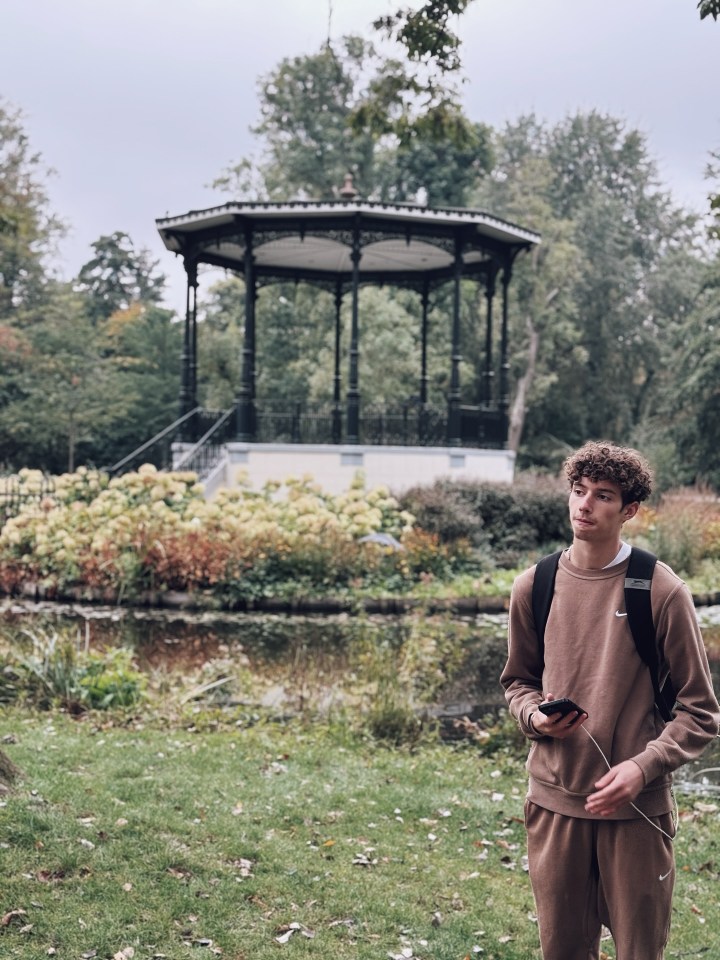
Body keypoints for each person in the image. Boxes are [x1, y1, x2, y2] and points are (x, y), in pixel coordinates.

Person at [500, 440, 720, 960]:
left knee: (639, 952)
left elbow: (701, 711)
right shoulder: (535, 584)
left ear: (630, 510)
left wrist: (642, 768)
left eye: (602, 495)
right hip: (555, 804)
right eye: (578, 492)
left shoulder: (661, 590)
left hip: (635, 814)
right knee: (563, 952)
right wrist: (534, 716)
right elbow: (517, 682)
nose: (584, 505)